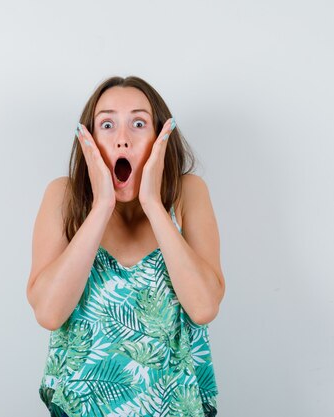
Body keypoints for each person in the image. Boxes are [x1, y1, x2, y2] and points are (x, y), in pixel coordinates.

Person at [26, 75, 226, 417]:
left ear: (160, 137)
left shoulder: (188, 193)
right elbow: (48, 312)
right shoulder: (63, 196)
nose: (122, 140)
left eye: (138, 123)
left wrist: (152, 202)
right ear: (88, 140)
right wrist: (101, 206)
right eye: (107, 124)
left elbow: (204, 307)